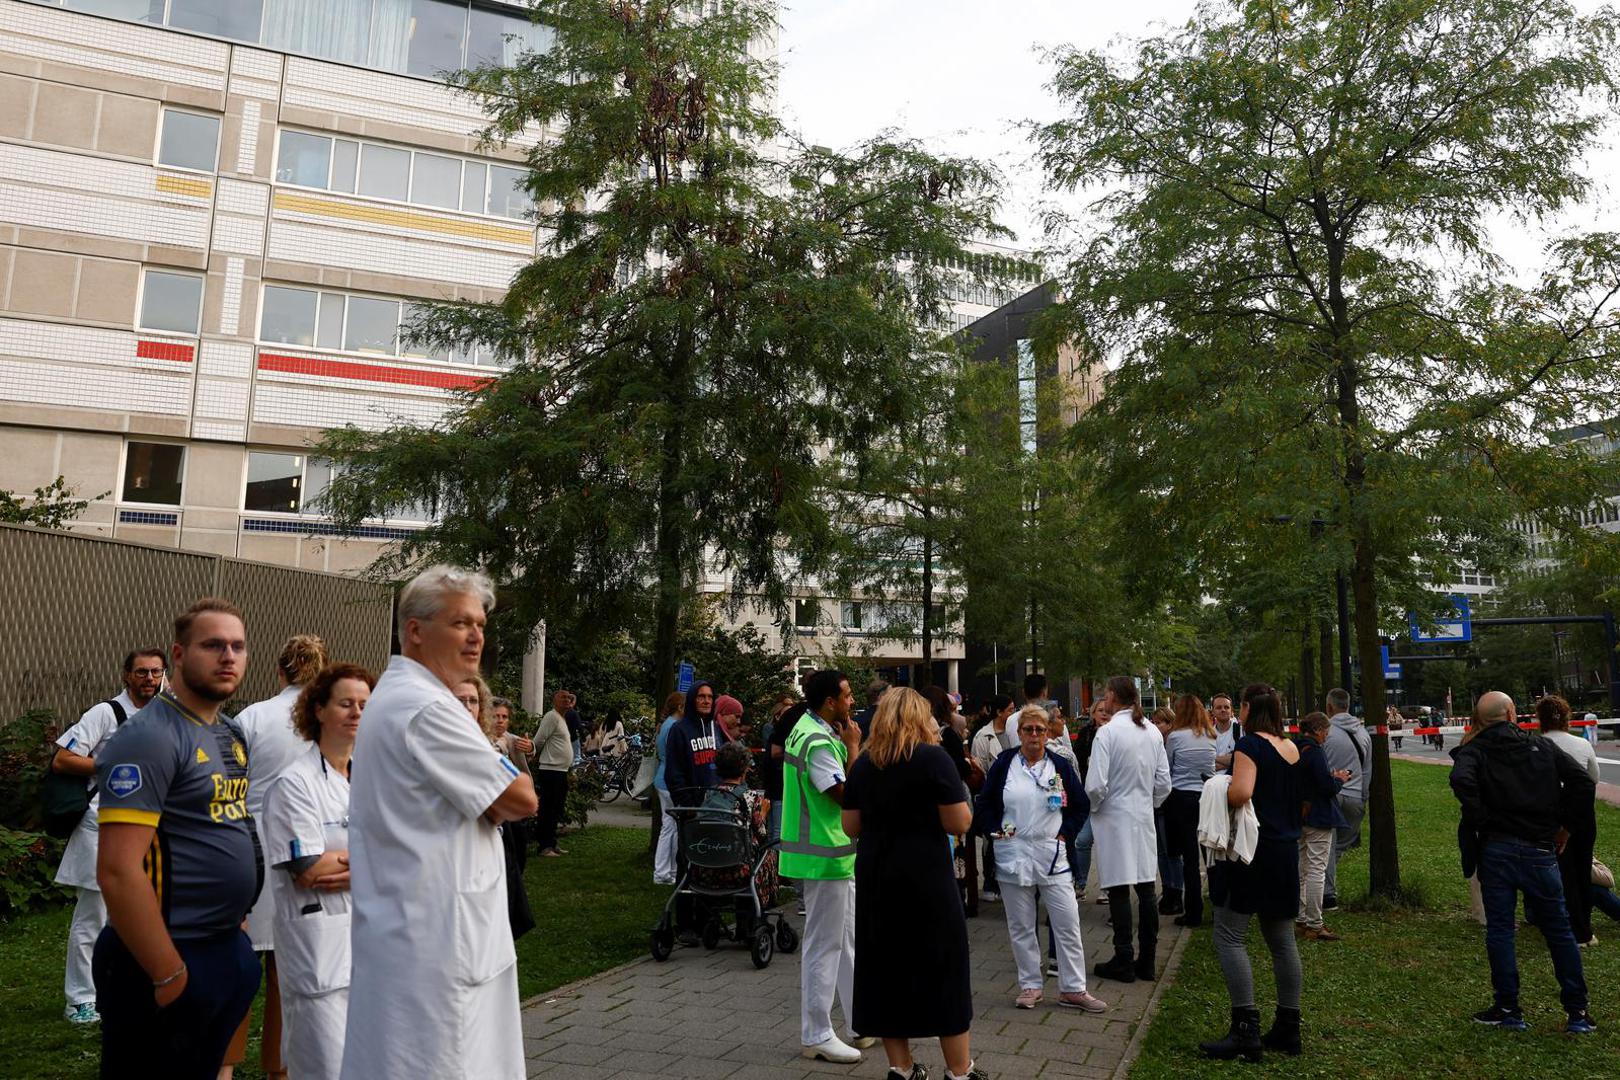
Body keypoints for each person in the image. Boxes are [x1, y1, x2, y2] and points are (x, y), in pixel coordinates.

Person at [341, 565, 538, 1080]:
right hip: (437, 943)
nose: (475, 636)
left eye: (480, 624)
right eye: (459, 623)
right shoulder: (428, 707)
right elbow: (520, 799)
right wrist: (502, 783)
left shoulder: (401, 695)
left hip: (418, 930)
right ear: (415, 630)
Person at [93, 598, 261, 1077]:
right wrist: (168, 972)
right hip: (165, 955)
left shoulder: (230, 733)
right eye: (213, 645)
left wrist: (237, 923)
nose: (228, 656)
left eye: (237, 646)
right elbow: (118, 870)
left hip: (224, 944)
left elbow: (224, 827)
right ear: (179, 654)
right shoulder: (149, 736)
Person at [844, 687, 987, 1080]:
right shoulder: (933, 759)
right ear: (917, 717)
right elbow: (958, 822)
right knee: (944, 968)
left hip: (877, 879)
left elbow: (850, 826)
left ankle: (901, 1068)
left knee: (886, 968)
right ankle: (959, 1071)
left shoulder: (864, 764)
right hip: (926, 880)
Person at [1450, 690, 1597, 1034]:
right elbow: (1581, 781)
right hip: (1541, 848)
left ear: (1478, 719)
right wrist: (1565, 825)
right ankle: (1577, 1012)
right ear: (1513, 713)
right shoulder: (1542, 747)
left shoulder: (1476, 751)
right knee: (1559, 929)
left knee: (1500, 930)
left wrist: (1481, 818)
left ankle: (1507, 1007)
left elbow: (1460, 779)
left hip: (1497, 848)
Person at [261, 663, 373, 1080]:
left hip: (370, 947)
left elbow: (408, 856)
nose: (357, 712)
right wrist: (378, 867)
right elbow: (308, 870)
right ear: (319, 710)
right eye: (346, 703)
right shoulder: (295, 784)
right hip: (318, 951)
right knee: (324, 1068)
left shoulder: (371, 781)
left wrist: (359, 866)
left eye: (365, 704)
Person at [50, 647, 165, 1025]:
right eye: (142, 672)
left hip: (151, 829)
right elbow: (63, 759)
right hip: (102, 827)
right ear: (126, 675)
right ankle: (80, 999)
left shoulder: (168, 714)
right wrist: (109, 764)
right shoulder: (106, 713)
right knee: (93, 916)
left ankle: (129, 989)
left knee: (146, 913)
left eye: (156, 672)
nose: (149, 679)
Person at [234, 633, 328, 1080]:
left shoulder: (251, 716)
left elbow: (229, 785)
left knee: (236, 974)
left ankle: (223, 1068)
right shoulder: (326, 721)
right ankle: (280, 1072)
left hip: (248, 849)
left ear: (278, 670)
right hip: (306, 852)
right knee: (285, 978)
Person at [975, 705, 1106, 1016]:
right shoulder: (1005, 764)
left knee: (1067, 921)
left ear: (1049, 733)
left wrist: (1065, 833)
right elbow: (986, 803)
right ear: (1018, 733)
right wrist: (994, 831)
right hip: (1013, 852)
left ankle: (1073, 988)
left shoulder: (1059, 765)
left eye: (1040, 730)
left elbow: (1080, 805)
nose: (1034, 736)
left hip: (1052, 852)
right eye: (1028, 730)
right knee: (1021, 924)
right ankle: (1030, 985)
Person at [1199, 684, 1304, 1060]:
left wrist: (1216, 789)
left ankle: (1245, 1031)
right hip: (1284, 852)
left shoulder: (1249, 746)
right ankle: (1289, 1028)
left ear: (1246, 708)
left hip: (1249, 853)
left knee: (1229, 936)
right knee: (1282, 940)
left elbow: (1241, 793)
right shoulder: (1291, 746)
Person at [780, 669, 869, 1064]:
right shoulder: (817, 741)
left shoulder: (810, 728)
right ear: (830, 701)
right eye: (847, 696)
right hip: (824, 857)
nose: (852, 702)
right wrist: (853, 748)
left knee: (846, 942)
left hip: (833, 855)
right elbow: (846, 797)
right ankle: (817, 1033)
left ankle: (859, 1022)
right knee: (825, 944)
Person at [1086, 677, 1171, 983]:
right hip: (1142, 815)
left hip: (1114, 815)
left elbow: (1095, 784)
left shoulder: (1107, 733)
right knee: (1146, 887)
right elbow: (1164, 783)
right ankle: (1147, 960)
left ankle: (1124, 958)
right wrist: (1148, 803)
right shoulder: (1152, 732)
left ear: (1112, 697)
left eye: (1105, 695)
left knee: (1119, 887)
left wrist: (1096, 807)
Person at [1537, 694, 1600, 946]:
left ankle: (1564, 924)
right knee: (1582, 871)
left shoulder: (1537, 745)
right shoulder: (1582, 745)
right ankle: (1584, 927)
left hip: (1552, 815)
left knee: (1561, 874)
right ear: (1567, 717)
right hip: (1583, 815)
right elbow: (1593, 778)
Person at [690, 742, 778, 921]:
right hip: (739, 869)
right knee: (768, 853)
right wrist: (762, 813)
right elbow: (761, 834)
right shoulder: (750, 797)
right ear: (745, 769)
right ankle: (760, 911)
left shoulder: (709, 794)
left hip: (706, 866)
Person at [1295, 712, 1350, 942]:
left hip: (1298, 816)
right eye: (1326, 731)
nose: (1327, 736)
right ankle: (1315, 923)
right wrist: (1338, 779)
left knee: (1301, 869)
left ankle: (1299, 917)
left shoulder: (1294, 747)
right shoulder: (1315, 752)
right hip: (1318, 816)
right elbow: (1326, 787)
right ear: (1318, 730)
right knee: (1316, 869)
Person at [1163, 694, 1216, 927]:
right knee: (1210, 855)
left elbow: (1167, 767)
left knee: (1190, 860)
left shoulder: (1175, 737)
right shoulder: (1211, 735)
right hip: (1206, 795)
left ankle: (1193, 911)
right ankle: (1218, 906)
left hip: (1181, 796)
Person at [1321, 688, 1368, 911]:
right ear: (1348, 705)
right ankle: (1325, 888)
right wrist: (1363, 795)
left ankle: (1327, 894)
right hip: (1356, 796)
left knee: (1327, 846)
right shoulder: (1363, 733)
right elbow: (1368, 770)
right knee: (1339, 846)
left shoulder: (1325, 732)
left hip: (1332, 795)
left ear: (1329, 707)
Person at [971, 694, 1016, 903]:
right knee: (993, 839)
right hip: (994, 796)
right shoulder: (984, 737)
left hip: (1015, 796)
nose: (1012, 714)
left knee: (1012, 837)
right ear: (999, 712)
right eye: (1009, 710)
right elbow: (978, 768)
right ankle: (991, 882)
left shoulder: (1016, 732)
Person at [1074, 698, 1111, 902]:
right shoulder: (1085, 734)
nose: (1104, 714)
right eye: (1100, 711)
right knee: (1083, 840)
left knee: (1106, 844)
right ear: (1093, 713)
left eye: (1107, 711)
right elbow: (1079, 763)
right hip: (1089, 794)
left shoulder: (1115, 734)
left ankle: (1107, 888)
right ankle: (1080, 884)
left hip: (1110, 797)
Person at [531, 689, 574, 857]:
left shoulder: (562, 718)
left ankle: (552, 843)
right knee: (548, 809)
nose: (567, 700)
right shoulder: (551, 716)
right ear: (554, 700)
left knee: (556, 809)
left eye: (569, 697)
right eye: (562, 697)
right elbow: (539, 739)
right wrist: (532, 754)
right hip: (550, 770)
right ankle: (544, 846)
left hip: (560, 771)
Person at [1149, 706, 1183, 915]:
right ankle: (1167, 888)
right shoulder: (1154, 742)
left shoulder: (1171, 742)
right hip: (1156, 801)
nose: (1155, 725)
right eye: (1154, 722)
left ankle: (1177, 892)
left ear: (1170, 724)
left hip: (1169, 801)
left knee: (1172, 850)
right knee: (1161, 850)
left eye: (1160, 722)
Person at [652, 691, 685, 885]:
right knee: (670, 828)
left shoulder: (666, 725)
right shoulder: (674, 727)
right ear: (680, 707)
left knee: (670, 827)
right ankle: (664, 872)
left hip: (663, 779)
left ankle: (668, 871)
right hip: (668, 781)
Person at [490, 696, 533, 775]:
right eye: (496, 716)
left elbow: (530, 754)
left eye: (504, 717)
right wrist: (501, 744)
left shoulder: (512, 739)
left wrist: (530, 748)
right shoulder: (480, 738)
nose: (500, 721)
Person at [1212, 693, 1239, 771]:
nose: (1223, 710)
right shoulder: (1207, 735)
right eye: (1219, 707)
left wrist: (1213, 758)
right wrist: (1230, 761)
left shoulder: (1241, 731)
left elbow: (1243, 758)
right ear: (1213, 712)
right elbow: (1205, 762)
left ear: (1231, 711)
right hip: (1211, 781)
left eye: (1226, 707)